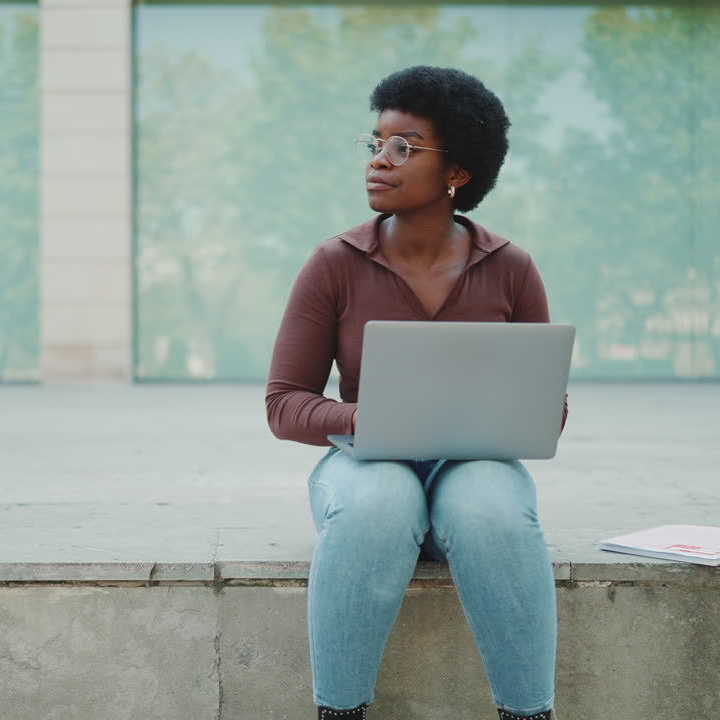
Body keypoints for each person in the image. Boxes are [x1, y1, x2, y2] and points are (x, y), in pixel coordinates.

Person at [265, 65, 569, 720]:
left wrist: (519, 413)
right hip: (367, 467)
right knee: (379, 502)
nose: (378, 160)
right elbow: (284, 403)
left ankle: (528, 714)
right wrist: (371, 419)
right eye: (376, 143)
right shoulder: (333, 263)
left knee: (489, 509)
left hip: (474, 472)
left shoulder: (513, 269)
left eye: (403, 148)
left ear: (457, 171)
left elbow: (547, 407)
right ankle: (339, 712)